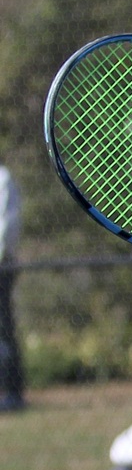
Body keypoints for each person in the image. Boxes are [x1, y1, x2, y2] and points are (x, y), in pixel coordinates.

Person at [0, 162, 23, 412]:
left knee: (3, 329)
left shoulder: (3, 178)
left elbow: (7, 225)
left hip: (2, 267)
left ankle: (12, 393)